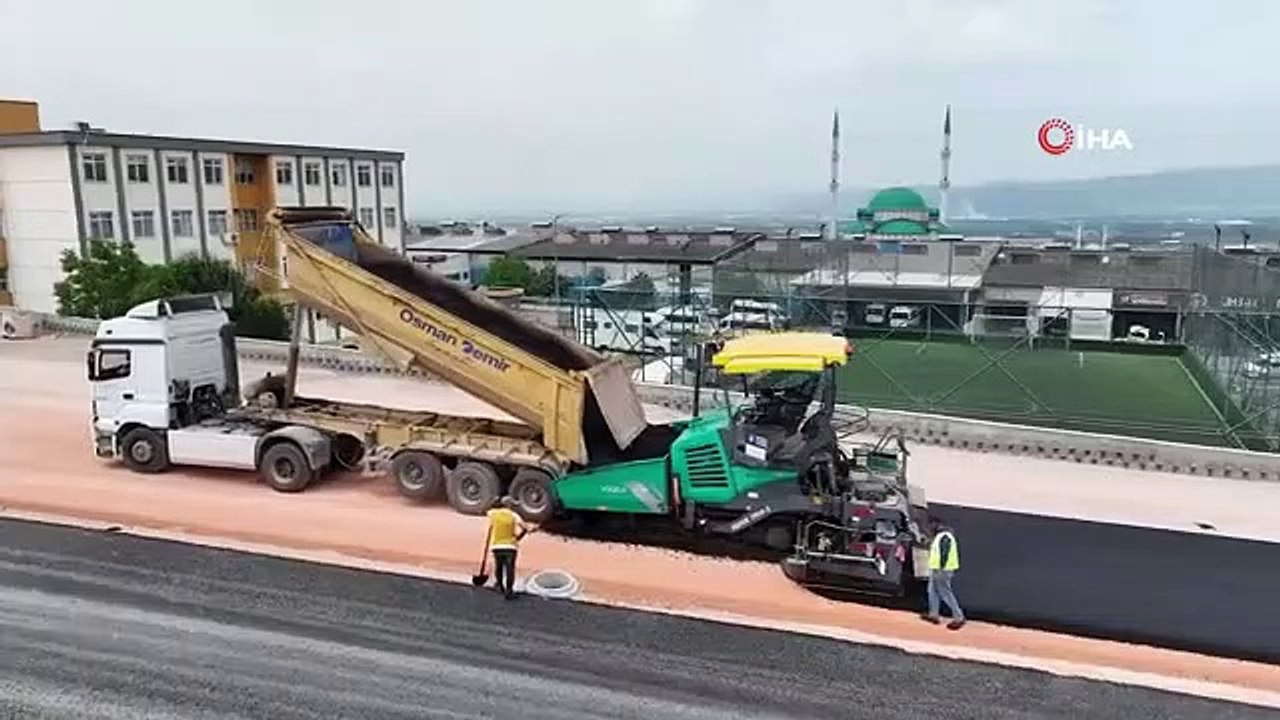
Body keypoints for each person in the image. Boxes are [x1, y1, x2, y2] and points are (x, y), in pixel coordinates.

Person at [922, 519, 966, 630]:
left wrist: (939, 567)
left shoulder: (944, 536)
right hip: (937, 568)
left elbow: (944, 553)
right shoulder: (941, 537)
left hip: (942, 570)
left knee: (945, 593)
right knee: (932, 591)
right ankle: (934, 614)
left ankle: (959, 617)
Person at [486, 496, 530, 599]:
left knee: (499, 567)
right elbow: (525, 528)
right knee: (510, 569)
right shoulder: (514, 515)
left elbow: (487, 509)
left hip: (497, 546)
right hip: (511, 546)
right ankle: (509, 590)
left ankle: (499, 585)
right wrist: (518, 538)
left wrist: (495, 500)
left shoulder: (494, 514)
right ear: (509, 505)